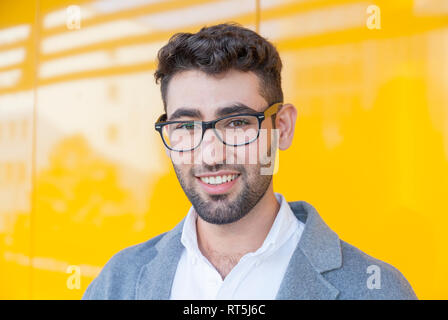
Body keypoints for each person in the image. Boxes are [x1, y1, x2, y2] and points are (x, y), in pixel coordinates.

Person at [82, 23, 417, 300]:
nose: (211, 155)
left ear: (282, 128)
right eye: (186, 126)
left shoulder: (377, 290)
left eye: (237, 123)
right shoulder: (117, 283)